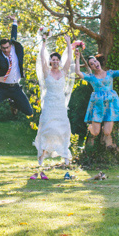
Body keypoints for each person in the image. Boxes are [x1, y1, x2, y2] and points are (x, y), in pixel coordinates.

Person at [74, 48, 119, 148]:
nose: (94, 63)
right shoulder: (91, 77)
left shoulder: (110, 73)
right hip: (97, 106)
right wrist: (77, 58)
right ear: (91, 67)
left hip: (110, 105)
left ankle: (106, 138)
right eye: (91, 64)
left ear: (98, 61)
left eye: (95, 61)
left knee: (107, 132)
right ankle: (91, 127)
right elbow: (78, 72)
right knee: (95, 132)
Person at [34, 33, 74, 166]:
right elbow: (42, 58)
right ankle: (41, 157)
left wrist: (69, 44)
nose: (55, 61)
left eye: (57, 59)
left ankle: (66, 158)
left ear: (59, 61)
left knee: (62, 128)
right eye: (53, 59)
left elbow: (69, 60)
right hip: (49, 104)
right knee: (47, 128)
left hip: (60, 106)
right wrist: (44, 42)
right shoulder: (46, 72)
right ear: (50, 61)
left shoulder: (63, 72)